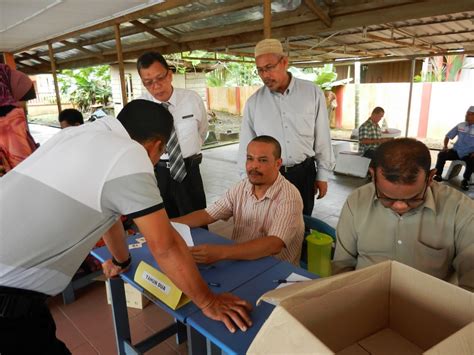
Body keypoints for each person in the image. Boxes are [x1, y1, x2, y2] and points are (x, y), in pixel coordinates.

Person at [0, 100, 251, 354]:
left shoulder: (76, 134)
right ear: (157, 146)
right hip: (8, 297)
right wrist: (208, 301)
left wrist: (121, 260)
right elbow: (165, 245)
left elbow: (107, 214)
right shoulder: (129, 153)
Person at [333, 138, 474, 291]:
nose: (400, 206)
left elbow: (471, 283)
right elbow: (342, 266)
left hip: (431, 307)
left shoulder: (460, 210)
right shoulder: (357, 201)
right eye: (387, 198)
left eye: (413, 198)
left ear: (430, 177)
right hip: (363, 296)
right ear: (373, 175)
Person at [238, 38, 335, 216]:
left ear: (284, 62)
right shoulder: (254, 103)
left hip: (304, 174)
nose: (265, 75)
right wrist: (247, 181)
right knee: (270, 223)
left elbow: (322, 136)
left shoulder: (312, 93)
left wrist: (322, 175)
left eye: (269, 68)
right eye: (260, 70)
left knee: (302, 222)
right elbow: (246, 145)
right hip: (269, 175)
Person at [174, 135, 304, 266]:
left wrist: (220, 253)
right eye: (250, 159)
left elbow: (274, 244)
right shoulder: (242, 187)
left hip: (275, 268)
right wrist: (169, 225)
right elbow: (208, 214)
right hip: (241, 259)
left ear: (278, 164)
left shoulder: (289, 197)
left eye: (263, 160)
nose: (254, 166)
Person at [137, 51, 208, 218]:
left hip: (190, 172)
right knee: (165, 225)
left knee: (197, 221)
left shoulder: (192, 99)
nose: (156, 86)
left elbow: (202, 131)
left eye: (160, 78)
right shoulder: (140, 107)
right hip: (158, 174)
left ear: (169, 74)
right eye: (148, 82)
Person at [433, 105, 474, 191]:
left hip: (469, 153)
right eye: (466, 114)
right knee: (442, 154)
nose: (466, 116)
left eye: (470, 114)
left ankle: (465, 180)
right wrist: (445, 147)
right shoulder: (460, 125)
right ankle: (438, 175)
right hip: (456, 151)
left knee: (472, 161)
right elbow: (448, 136)